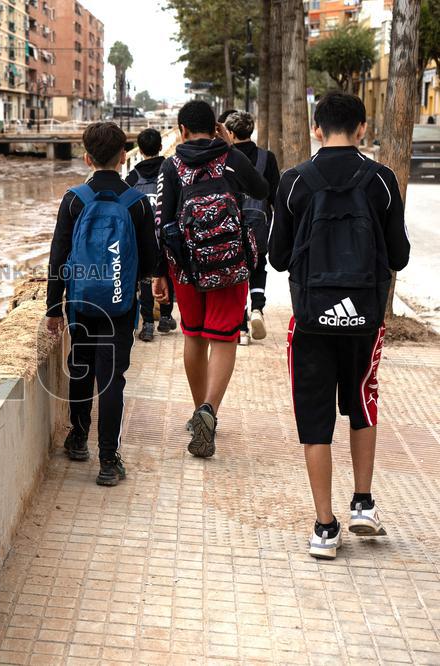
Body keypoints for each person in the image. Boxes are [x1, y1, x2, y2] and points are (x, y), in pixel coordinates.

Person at [269, 91, 410, 560]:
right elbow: (401, 256)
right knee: (362, 404)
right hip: (364, 319)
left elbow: (278, 257)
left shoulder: (293, 182)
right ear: (362, 129)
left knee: (315, 422)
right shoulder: (383, 181)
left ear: (315, 128)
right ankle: (363, 505)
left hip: (312, 320)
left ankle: (325, 528)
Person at [152, 100, 268, 458]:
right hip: (230, 265)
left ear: (182, 130)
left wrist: (160, 274)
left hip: (186, 267)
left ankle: (196, 410)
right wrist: (230, 148)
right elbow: (261, 190)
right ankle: (209, 410)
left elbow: (163, 220)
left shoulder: (171, 166)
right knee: (224, 338)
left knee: (194, 336)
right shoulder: (231, 158)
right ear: (216, 127)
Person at [45, 122, 158, 486]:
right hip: (120, 307)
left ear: (87, 158)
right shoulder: (138, 203)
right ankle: (108, 461)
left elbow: (58, 256)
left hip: (80, 303)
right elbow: (152, 262)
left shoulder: (74, 199)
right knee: (112, 381)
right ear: (125, 156)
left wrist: (52, 307)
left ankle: (78, 439)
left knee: (81, 368)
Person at [224, 111, 281, 346]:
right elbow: (275, 194)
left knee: (236, 271)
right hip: (259, 221)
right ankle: (257, 308)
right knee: (258, 265)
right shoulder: (267, 157)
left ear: (231, 133)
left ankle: (241, 328)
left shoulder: (227, 158)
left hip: (231, 221)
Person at [125, 127, 176, 342]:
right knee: (168, 273)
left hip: (142, 237)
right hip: (166, 234)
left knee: (146, 278)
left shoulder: (133, 176)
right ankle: (165, 317)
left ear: (140, 149)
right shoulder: (170, 170)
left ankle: (147, 324)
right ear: (160, 146)